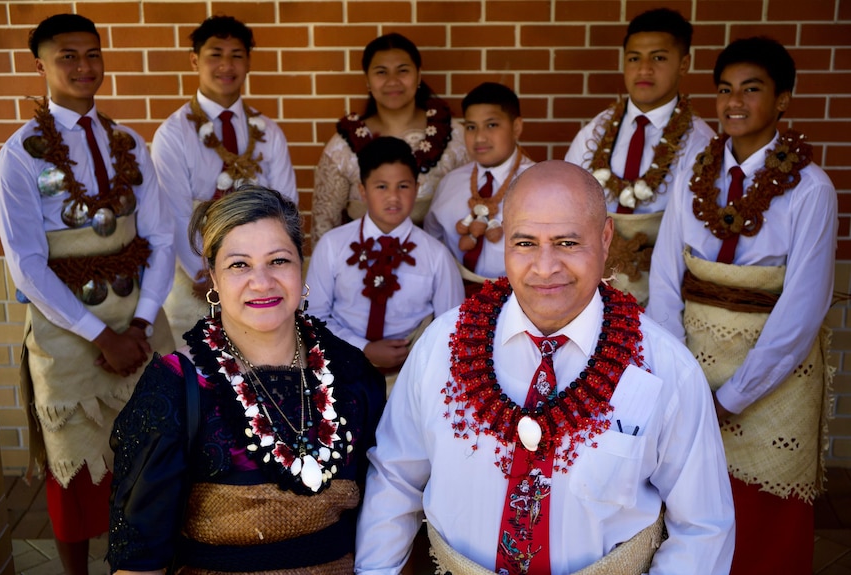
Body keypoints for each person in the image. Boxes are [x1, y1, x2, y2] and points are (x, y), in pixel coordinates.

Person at [356, 161, 734, 575]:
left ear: (606, 238)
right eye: (525, 243)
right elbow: (395, 478)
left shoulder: (663, 367)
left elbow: (702, 526)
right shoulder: (442, 349)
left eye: (568, 243)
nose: (545, 266)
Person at [107, 186, 386, 574]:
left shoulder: (352, 375)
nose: (262, 281)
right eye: (239, 264)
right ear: (213, 279)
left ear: (301, 269)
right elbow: (140, 562)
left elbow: (386, 518)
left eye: (279, 260)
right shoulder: (176, 386)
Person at [648, 37, 836, 575]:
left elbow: (802, 309)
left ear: (783, 100)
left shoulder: (810, 190)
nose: (733, 102)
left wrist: (733, 397)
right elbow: (666, 278)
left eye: (751, 90)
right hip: (696, 361)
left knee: (764, 512)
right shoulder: (693, 175)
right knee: (690, 500)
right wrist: (679, 371)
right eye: (724, 90)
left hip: (773, 374)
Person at [0, 14, 175, 575]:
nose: (82, 66)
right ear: (40, 64)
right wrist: (100, 335)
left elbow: (161, 235)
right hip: (67, 328)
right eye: (67, 55)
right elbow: (25, 265)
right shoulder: (20, 154)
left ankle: (149, 562)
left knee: (154, 454)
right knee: (71, 464)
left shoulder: (128, 143)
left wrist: (140, 325)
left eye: (91, 54)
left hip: (139, 320)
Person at [152, 15, 297, 347]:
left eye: (236, 55)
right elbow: (174, 216)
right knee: (199, 380)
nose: (226, 65)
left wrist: (270, 273)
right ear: (195, 60)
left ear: (248, 63)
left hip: (261, 284)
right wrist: (211, 279)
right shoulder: (173, 135)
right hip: (196, 281)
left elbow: (287, 209)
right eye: (215, 54)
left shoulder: (268, 132)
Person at [565, 8, 714, 305]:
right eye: (634, 58)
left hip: (665, 293)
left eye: (658, 58)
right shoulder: (596, 132)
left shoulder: (701, 143)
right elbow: (566, 203)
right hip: (591, 291)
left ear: (684, 63)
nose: (644, 69)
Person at [306, 136, 463, 387]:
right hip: (339, 372)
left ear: (417, 186)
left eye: (403, 186)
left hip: (412, 378)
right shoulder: (332, 245)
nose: (393, 197)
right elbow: (313, 315)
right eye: (381, 187)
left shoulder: (436, 255)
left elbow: (453, 327)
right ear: (362, 191)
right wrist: (364, 348)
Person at [311, 32, 469, 244]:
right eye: (381, 72)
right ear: (367, 79)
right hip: (362, 266)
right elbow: (324, 225)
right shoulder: (342, 147)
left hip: (441, 265)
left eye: (403, 71)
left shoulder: (456, 138)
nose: (392, 81)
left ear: (419, 75)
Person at [424, 82, 534, 288]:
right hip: (456, 296)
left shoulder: (539, 183)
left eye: (491, 125)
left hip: (520, 297)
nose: (479, 137)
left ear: (516, 127)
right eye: (471, 127)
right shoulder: (451, 183)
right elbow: (433, 240)